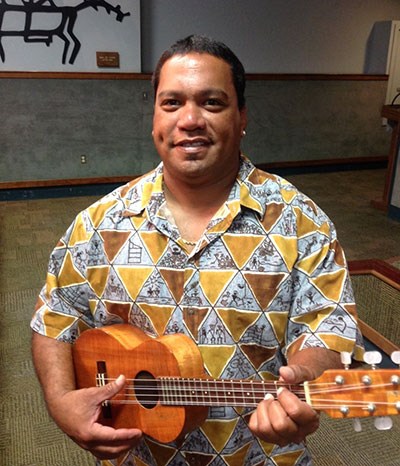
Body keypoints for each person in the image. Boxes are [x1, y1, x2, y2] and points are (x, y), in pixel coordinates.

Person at [31, 35, 364, 466]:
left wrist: (305, 375)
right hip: (136, 455)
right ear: (154, 118)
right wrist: (60, 402)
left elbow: (329, 327)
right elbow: (55, 317)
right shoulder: (98, 224)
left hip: (257, 456)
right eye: (172, 103)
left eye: (211, 103)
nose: (189, 120)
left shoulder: (302, 223)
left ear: (242, 116)